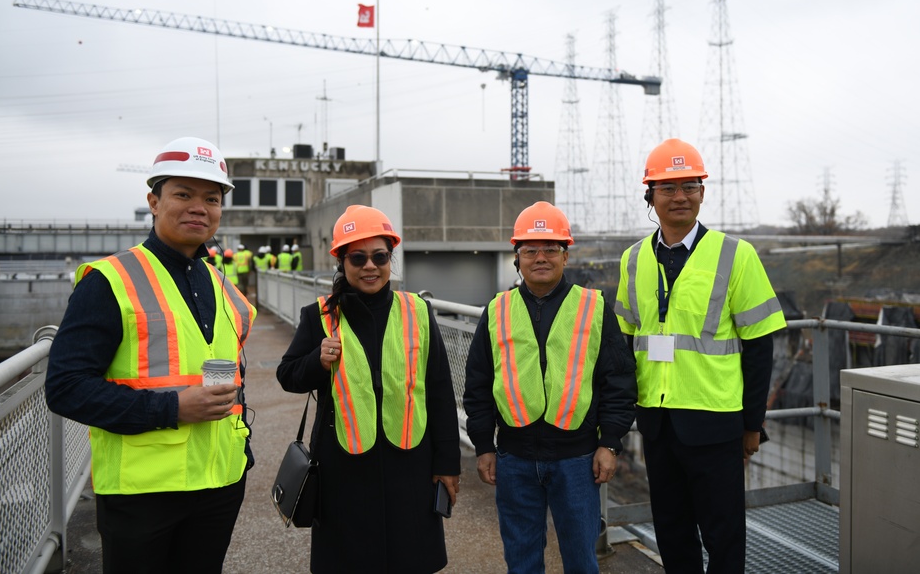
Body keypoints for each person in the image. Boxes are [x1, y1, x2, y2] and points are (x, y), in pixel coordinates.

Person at [45, 136, 256, 574]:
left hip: (219, 484)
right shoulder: (109, 280)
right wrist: (173, 407)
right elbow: (65, 389)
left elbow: (219, 371)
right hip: (142, 494)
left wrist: (241, 450)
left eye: (212, 199)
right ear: (153, 202)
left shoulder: (221, 286)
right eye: (183, 194)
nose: (200, 207)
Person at [614, 138, 786, 574]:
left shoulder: (736, 255)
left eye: (689, 186)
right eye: (668, 188)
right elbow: (623, 345)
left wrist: (753, 425)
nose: (680, 196)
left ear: (702, 192)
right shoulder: (632, 260)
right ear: (649, 195)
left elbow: (760, 346)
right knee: (671, 530)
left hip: (716, 421)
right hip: (657, 420)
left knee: (723, 532)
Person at [276, 205, 461, 573]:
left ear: (390, 258)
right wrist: (317, 360)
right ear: (342, 262)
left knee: (410, 561)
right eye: (357, 257)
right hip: (344, 469)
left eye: (379, 256)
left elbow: (440, 392)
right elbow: (288, 375)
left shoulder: (418, 311)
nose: (370, 266)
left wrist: (447, 465)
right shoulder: (319, 316)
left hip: (410, 465)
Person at [463, 201, 637, 574]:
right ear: (517, 257)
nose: (540, 257)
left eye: (550, 249)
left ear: (565, 255)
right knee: (522, 562)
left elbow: (619, 380)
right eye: (530, 250)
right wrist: (483, 445)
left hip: (577, 459)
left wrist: (610, 443)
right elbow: (477, 383)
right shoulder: (497, 310)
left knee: (581, 561)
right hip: (514, 458)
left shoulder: (594, 307)